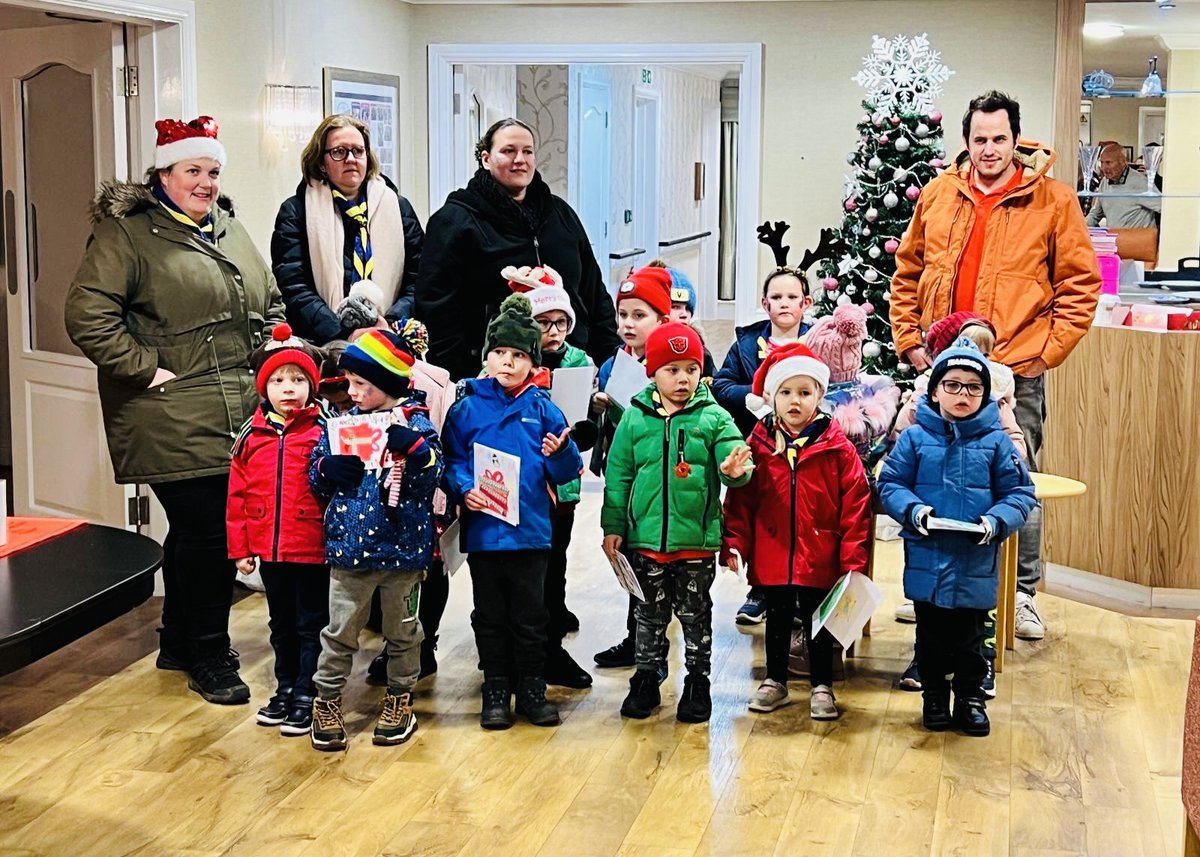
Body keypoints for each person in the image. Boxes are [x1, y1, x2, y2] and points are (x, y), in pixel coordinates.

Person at [65, 116, 285, 705]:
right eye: (193, 170)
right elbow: (88, 315)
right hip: (168, 407)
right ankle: (210, 654)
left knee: (195, 533)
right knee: (211, 533)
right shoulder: (128, 234)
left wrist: (276, 334)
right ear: (163, 174)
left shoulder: (228, 226)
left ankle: (179, 640)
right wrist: (144, 368)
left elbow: (265, 297)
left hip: (232, 405)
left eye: (213, 172)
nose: (206, 182)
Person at [889, 90, 1100, 641]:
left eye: (999, 139)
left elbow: (1081, 286)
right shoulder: (937, 195)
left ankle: (1021, 593)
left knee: (1016, 480)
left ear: (1016, 140)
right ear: (966, 141)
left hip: (1014, 373)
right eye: (979, 139)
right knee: (934, 476)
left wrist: (1042, 352)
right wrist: (911, 341)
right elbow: (907, 272)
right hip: (943, 372)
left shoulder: (1053, 201)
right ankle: (935, 588)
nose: (988, 149)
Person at [878, 338, 1036, 736]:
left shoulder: (997, 442)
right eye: (952, 384)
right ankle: (933, 697)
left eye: (973, 387)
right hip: (928, 557)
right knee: (929, 638)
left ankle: (970, 699)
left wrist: (995, 522)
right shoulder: (914, 438)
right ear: (934, 390)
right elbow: (891, 483)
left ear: (986, 395)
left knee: (971, 639)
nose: (962, 394)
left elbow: (1020, 494)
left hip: (975, 561)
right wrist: (914, 510)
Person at [441, 293, 585, 730]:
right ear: (486, 357)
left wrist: (561, 452)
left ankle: (533, 686)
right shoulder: (466, 408)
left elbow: (567, 468)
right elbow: (451, 459)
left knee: (531, 614)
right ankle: (496, 688)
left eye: (518, 355)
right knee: (488, 614)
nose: (507, 362)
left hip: (531, 532)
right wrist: (465, 488)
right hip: (484, 532)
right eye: (499, 353)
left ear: (533, 361)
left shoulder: (543, 407)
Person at [601, 322, 753, 723]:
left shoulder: (713, 417)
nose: (683, 378)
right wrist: (613, 526)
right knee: (648, 614)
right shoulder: (634, 418)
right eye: (672, 369)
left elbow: (736, 460)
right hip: (645, 541)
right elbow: (618, 476)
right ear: (653, 372)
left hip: (695, 542)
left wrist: (733, 469)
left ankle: (698, 680)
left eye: (691, 368)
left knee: (694, 614)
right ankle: (647, 677)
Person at [308, 330, 443, 752]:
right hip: (349, 550)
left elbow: (434, 476)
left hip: (403, 553)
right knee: (339, 631)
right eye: (350, 382)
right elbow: (314, 474)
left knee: (404, 631)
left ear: (388, 384)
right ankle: (326, 701)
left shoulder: (417, 424)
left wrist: (418, 451)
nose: (353, 392)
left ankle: (400, 699)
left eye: (363, 384)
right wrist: (327, 469)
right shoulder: (339, 423)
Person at [722, 343, 871, 719]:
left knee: (817, 621)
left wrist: (852, 557)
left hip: (820, 551)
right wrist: (735, 544)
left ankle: (823, 685)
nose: (795, 401)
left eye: (804, 393)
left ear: (820, 396)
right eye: (786, 392)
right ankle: (775, 680)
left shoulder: (837, 448)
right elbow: (741, 501)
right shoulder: (757, 444)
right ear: (772, 396)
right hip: (773, 552)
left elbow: (855, 504)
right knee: (777, 618)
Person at [415, 118, 620, 381]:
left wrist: (608, 361)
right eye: (509, 151)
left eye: (527, 151)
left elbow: (593, 294)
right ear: (486, 158)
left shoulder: (561, 214)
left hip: (572, 370)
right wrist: (462, 383)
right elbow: (437, 312)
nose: (519, 159)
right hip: (495, 380)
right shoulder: (454, 222)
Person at [227, 324, 329, 735]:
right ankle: (285, 686)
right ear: (263, 386)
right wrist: (241, 547)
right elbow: (236, 496)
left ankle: (308, 690)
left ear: (312, 385)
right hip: (268, 549)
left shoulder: (325, 428)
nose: (289, 389)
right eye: (278, 380)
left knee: (312, 622)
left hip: (312, 546)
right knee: (281, 622)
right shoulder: (251, 435)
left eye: (298, 379)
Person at [712, 264, 814, 627]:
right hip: (759, 445)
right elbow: (721, 386)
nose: (784, 304)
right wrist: (755, 397)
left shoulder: (817, 341)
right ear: (764, 303)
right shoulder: (745, 345)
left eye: (792, 297)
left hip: (807, 449)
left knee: (799, 518)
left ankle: (801, 592)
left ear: (806, 303)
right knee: (759, 517)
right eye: (776, 298)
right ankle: (760, 590)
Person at [271, 114, 425, 344]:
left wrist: (390, 324)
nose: (351, 159)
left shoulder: (398, 207)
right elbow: (293, 287)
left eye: (358, 151)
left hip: (390, 337)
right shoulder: (296, 211)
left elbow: (419, 279)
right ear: (322, 163)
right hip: (323, 344)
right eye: (339, 152)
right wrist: (343, 332)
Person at [518, 268, 597, 689]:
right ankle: (515, 647)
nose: (554, 332)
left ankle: (552, 641)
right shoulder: (513, 360)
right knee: (521, 569)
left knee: (556, 559)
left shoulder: (579, 360)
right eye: (544, 323)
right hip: (519, 485)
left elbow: (584, 426)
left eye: (561, 323)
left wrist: (591, 412)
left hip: (561, 483)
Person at [590, 267, 673, 670]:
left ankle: (654, 644)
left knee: (654, 562)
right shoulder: (612, 364)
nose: (627, 324)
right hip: (623, 478)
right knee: (630, 558)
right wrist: (600, 408)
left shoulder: (671, 365)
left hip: (658, 482)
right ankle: (635, 638)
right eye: (623, 315)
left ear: (661, 319)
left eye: (639, 316)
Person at [1086, 140, 1161, 229]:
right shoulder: (1104, 183)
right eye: (1101, 162)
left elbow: (1164, 208)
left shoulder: (1140, 182)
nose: (1103, 168)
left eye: (1108, 162)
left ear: (1122, 162)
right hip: (1114, 239)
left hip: (1138, 240)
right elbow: (1095, 214)